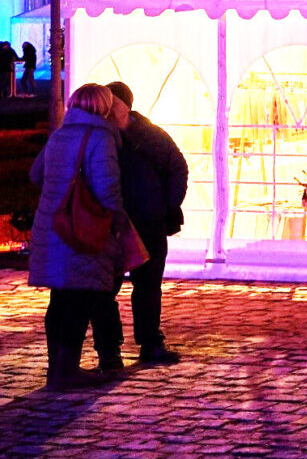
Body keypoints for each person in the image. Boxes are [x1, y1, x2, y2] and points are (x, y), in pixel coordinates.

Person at [28, 83, 132, 389]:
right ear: (104, 106)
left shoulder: (60, 133)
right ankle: (67, 370)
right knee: (80, 299)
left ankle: (55, 368)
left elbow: (36, 175)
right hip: (83, 228)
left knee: (59, 298)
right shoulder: (100, 137)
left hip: (52, 226)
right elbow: (107, 188)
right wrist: (119, 220)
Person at [106, 81, 188, 366]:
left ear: (126, 105)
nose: (109, 108)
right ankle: (109, 350)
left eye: (113, 103)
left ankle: (150, 343)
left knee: (148, 286)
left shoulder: (151, 135)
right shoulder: (102, 136)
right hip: (112, 224)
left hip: (148, 221)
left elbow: (177, 166)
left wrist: (166, 206)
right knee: (105, 288)